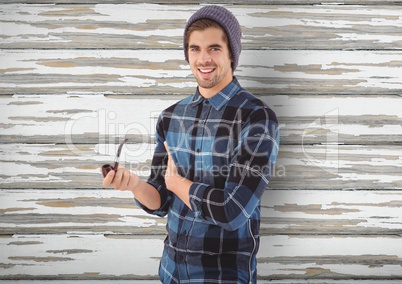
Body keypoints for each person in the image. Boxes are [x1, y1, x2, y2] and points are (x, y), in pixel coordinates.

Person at [103, 5, 280, 283]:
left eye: (214, 48)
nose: (203, 58)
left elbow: (232, 212)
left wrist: (179, 184)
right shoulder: (170, 117)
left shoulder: (256, 117)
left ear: (231, 53)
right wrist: (134, 184)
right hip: (170, 271)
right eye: (195, 49)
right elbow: (161, 200)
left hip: (222, 277)